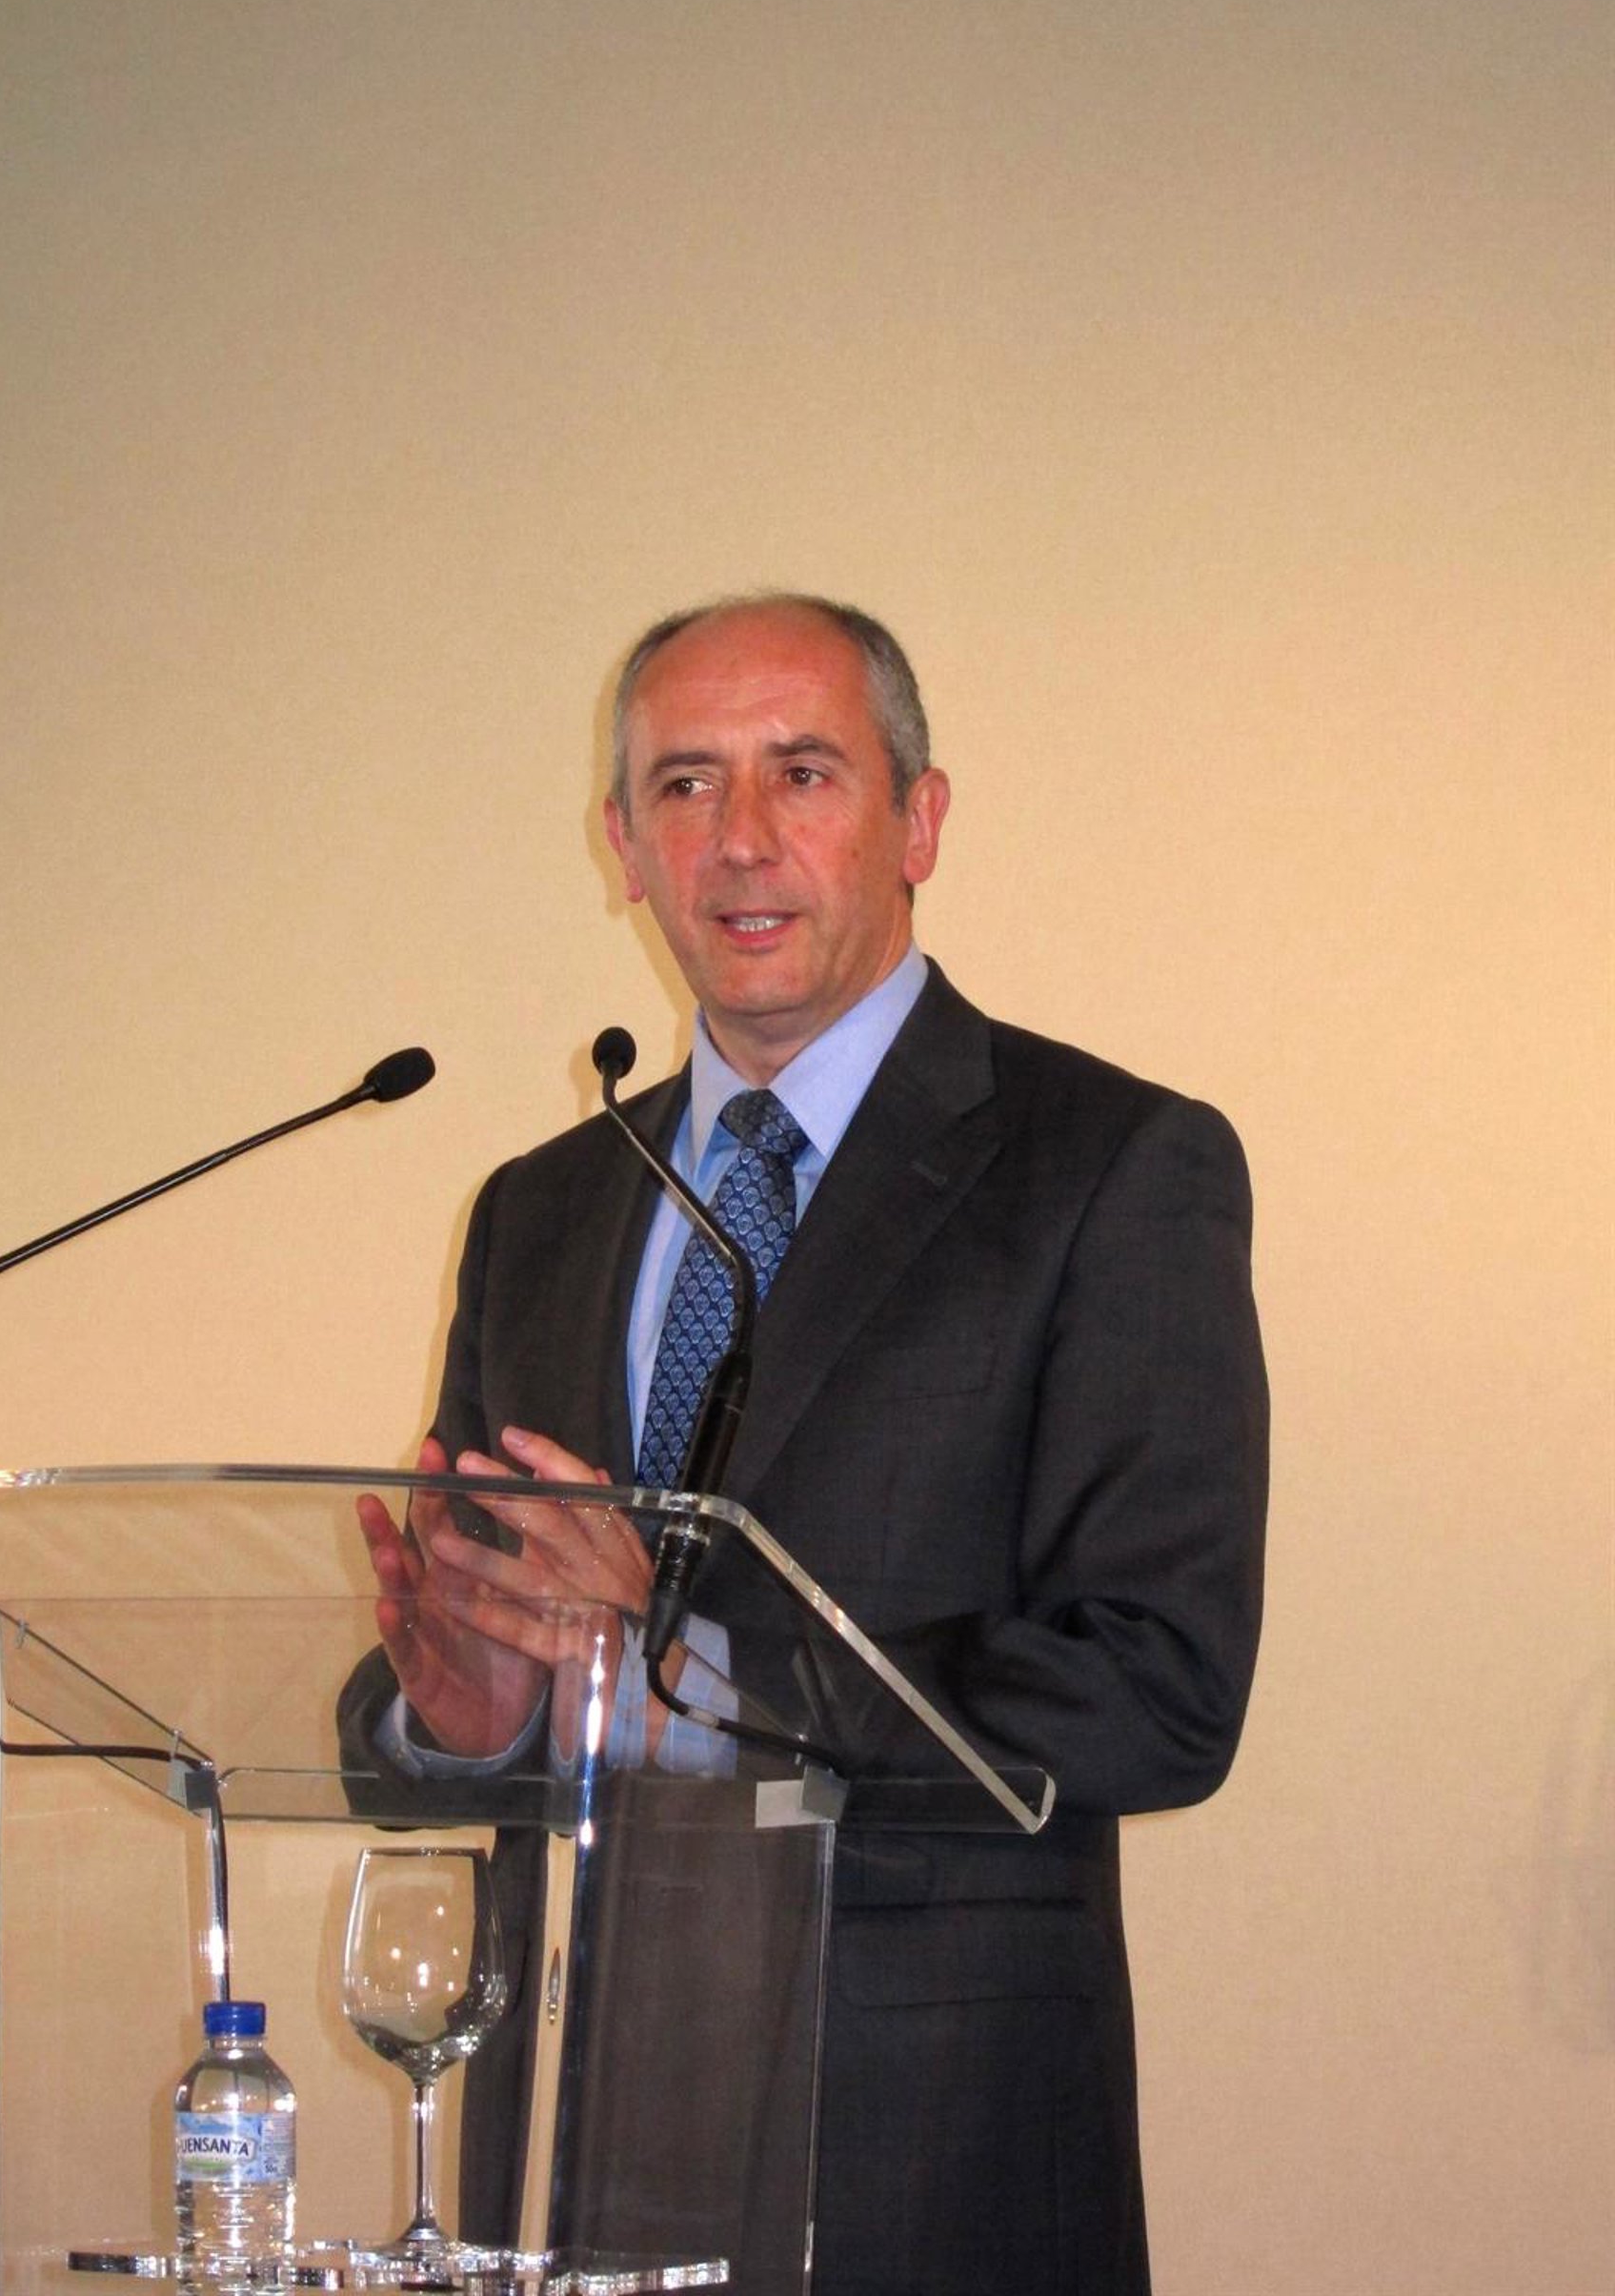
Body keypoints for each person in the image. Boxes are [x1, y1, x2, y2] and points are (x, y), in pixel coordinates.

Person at [343, 594, 1268, 2294]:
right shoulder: (542, 1210)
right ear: (624, 846)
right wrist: (466, 1716)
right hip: (571, 2139)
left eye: (806, 773)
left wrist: (692, 1677)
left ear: (919, 821)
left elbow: (1157, 1688)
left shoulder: (1109, 1167)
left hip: (929, 2146)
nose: (743, 838)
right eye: (686, 784)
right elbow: (465, 1662)